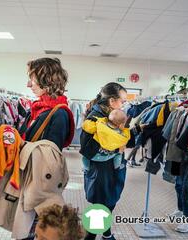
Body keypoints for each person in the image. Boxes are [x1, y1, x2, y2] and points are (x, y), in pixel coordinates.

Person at [0, 57, 75, 239]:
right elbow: (22, 140)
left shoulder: (59, 114)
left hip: (37, 192)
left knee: (30, 233)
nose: (28, 84)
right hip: (29, 184)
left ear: (46, 80)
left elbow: (47, 161)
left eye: (31, 78)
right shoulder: (38, 109)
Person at [80, 82, 139, 240]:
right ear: (112, 101)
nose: (124, 103)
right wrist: (115, 148)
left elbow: (121, 137)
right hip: (102, 171)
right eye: (122, 100)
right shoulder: (96, 118)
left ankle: (106, 233)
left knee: (108, 202)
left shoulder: (109, 115)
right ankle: (93, 237)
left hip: (109, 169)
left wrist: (134, 132)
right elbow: (87, 149)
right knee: (102, 205)